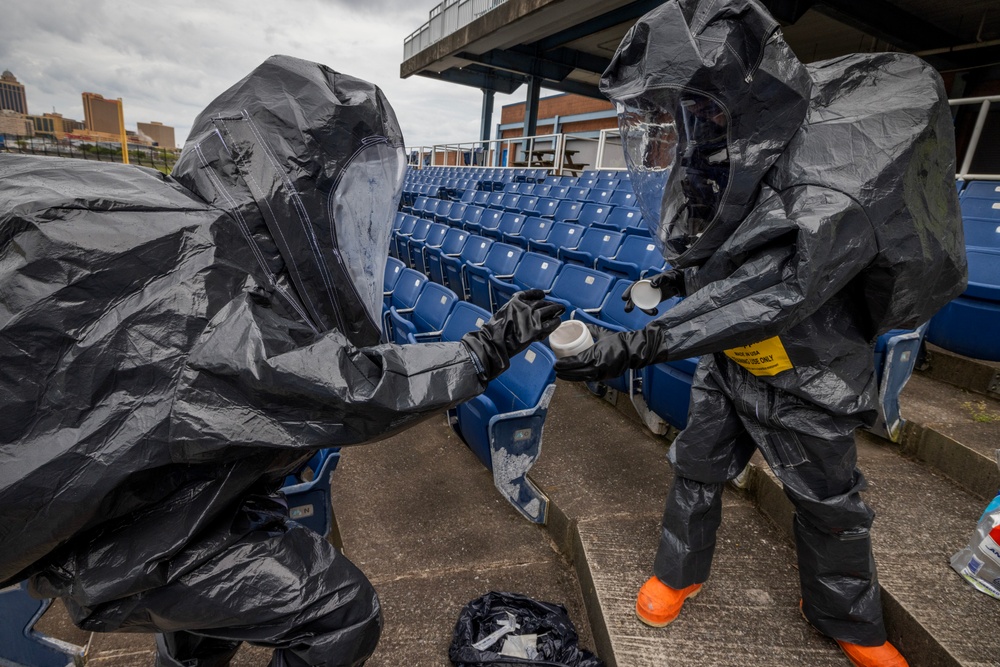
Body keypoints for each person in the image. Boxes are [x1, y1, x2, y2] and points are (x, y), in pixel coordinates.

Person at [0, 55, 563, 667]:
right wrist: (486, 348)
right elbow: (356, 389)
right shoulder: (211, 289)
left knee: (206, 620)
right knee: (341, 615)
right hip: (129, 541)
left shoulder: (167, 226)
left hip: (148, 510)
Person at [553, 2, 966, 667]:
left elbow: (768, 289)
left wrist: (631, 345)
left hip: (809, 371)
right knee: (696, 469)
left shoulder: (830, 188)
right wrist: (673, 285)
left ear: (742, 95)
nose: (690, 127)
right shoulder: (716, 152)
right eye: (679, 113)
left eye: (697, 108)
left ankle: (846, 616)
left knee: (829, 502)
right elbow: (710, 252)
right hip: (731, 364)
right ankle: (679, 570)